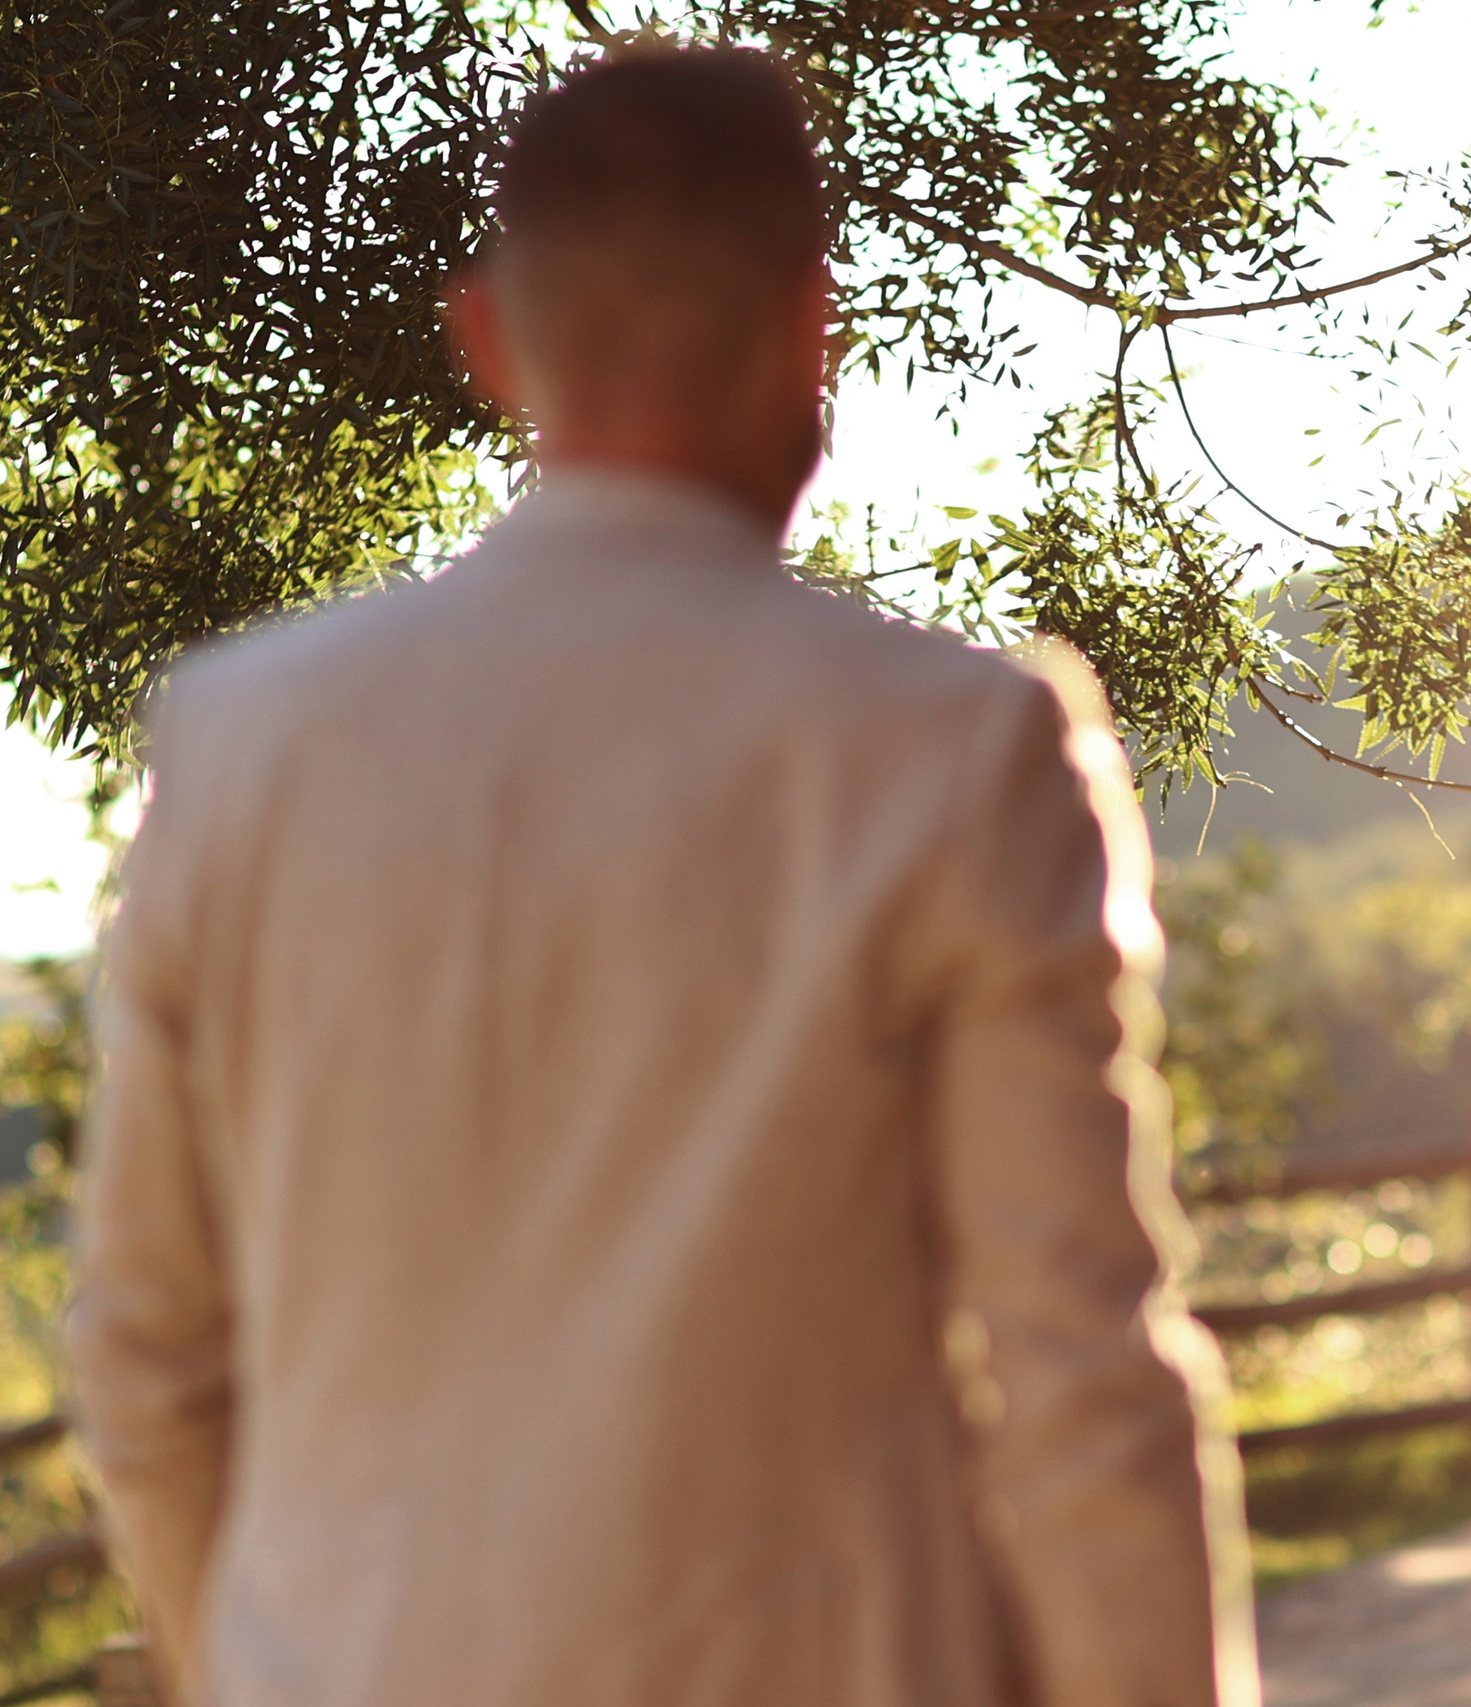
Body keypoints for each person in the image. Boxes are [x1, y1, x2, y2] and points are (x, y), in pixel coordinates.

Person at [68, 46, 1255, 1707]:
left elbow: (142, 1362)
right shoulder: (954, 751)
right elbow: (1078, 1380)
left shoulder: (238, 743)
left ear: (488, 341)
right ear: (810, 321)